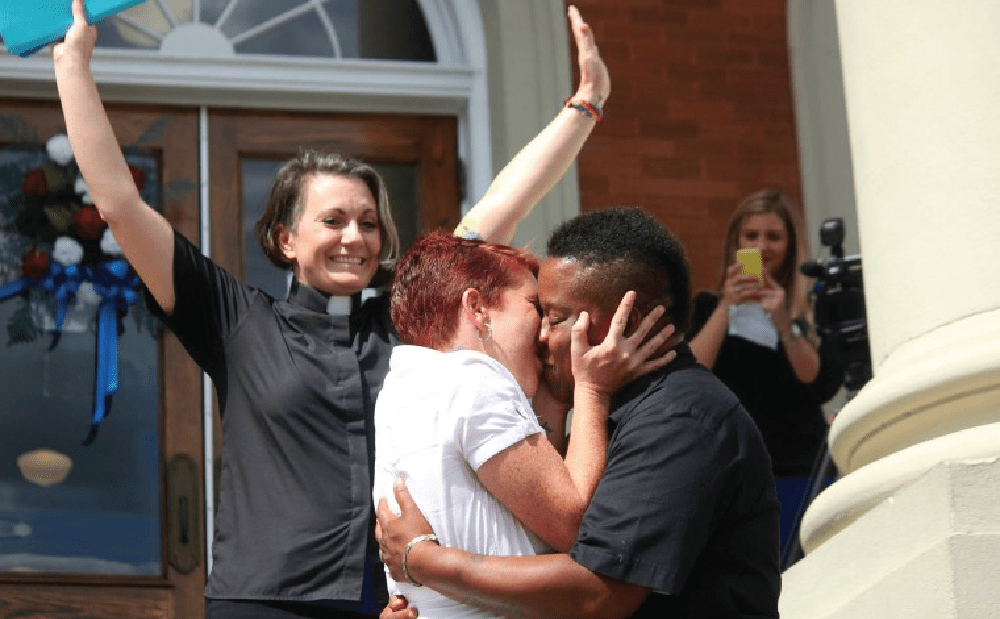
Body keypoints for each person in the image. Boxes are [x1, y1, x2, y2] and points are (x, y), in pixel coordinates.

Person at [51, 0, 610, 616]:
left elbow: (497, 211)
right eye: (333, 220)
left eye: (369, 222)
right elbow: (121, 206)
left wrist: (585, 104)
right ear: (287, 239)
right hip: (262, 602)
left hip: (389, 602)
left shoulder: (405, 318)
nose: (355, 237)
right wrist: (72, 65)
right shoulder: (238, 320)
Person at [376, 207, 781, 619]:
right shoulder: (609, 409)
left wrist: (422, 562)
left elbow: (599, 592)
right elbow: (537, 537)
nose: (542, 336)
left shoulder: (680, 418)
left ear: (627, 322)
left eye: (555, 317)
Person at [374, 231, 674, 619]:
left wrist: (556, 397)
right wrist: (593, 389)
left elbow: (520, 503)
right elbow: (572, 525)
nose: (545, 334)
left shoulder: (403, 388)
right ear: (477, 309)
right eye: (535, 307)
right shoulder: (473, 379)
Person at [687, 188, 843, 559]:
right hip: (733, 472)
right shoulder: (709, 307)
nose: (762, 246)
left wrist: (782, 320)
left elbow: (817, 382)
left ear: (790, 244)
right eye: (751, 236)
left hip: (799, 470)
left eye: (774, 236)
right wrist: (727, 305)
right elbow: (690, 373)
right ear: (736, 242)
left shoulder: (810, 309)